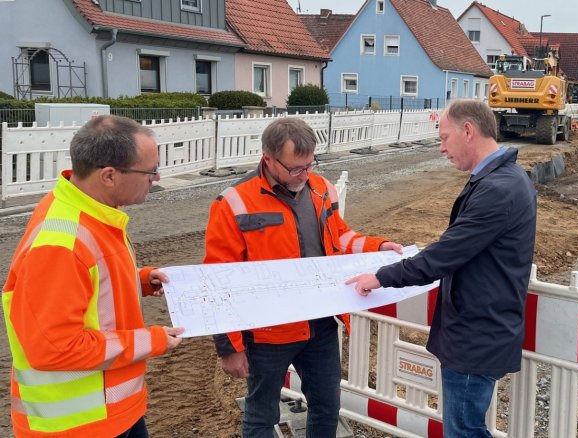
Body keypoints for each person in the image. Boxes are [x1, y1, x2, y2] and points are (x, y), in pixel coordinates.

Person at [346, 99, 537, 438]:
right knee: (464, 428)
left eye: (445, 138)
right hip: (478, 328)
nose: (441, 148)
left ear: (468, 131)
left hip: (476, 334)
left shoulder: (498, 188)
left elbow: (445, 254)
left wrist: (380, 277)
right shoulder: (499, 179)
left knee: (463, 431)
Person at [204, 118, 402, 438]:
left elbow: (340, 236)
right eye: (296, 168)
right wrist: (230, 346)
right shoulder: (234, 202)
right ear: (268, 159)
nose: (304, 175)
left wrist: (377, 247)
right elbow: (218, 278)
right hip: (267, 333)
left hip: (320, 325)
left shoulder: (321, 188)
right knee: (261, 415)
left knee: (327, 406)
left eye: (310, 165)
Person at [2, 115, 184, 437]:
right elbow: (55, 347)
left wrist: (140, 280)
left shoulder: (93, 213)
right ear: (109, 175)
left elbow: (89, 283)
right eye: (150, 171)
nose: (156, 178)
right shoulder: (61, 245)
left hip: (115, 414)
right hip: (77, 426)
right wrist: (151, 339)